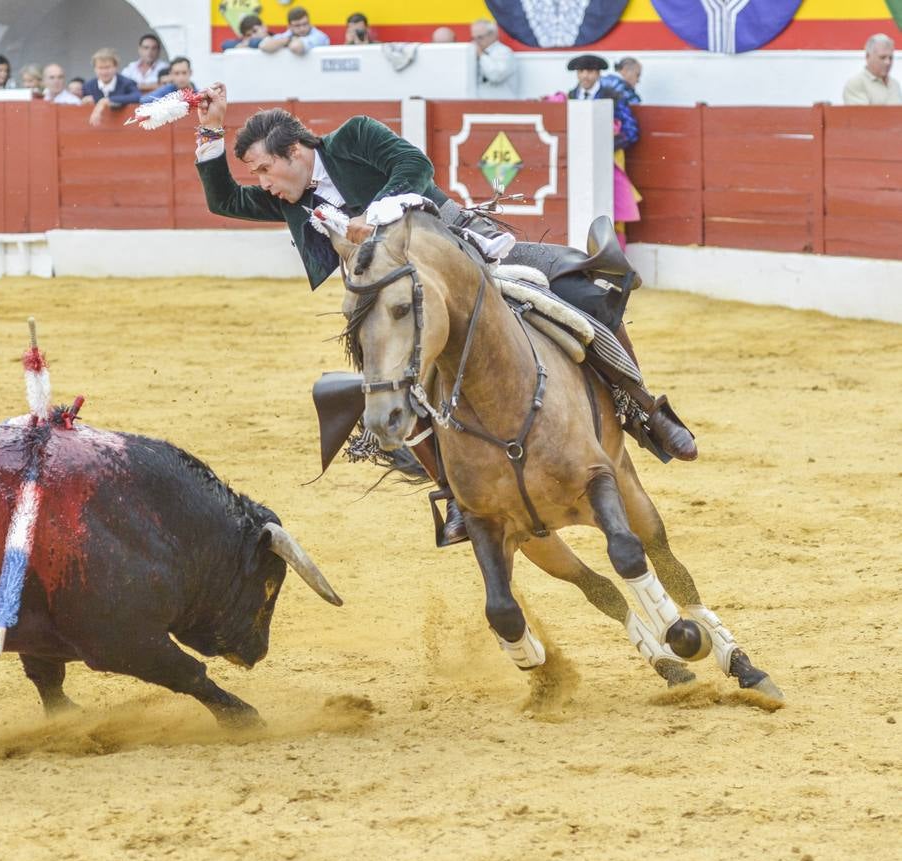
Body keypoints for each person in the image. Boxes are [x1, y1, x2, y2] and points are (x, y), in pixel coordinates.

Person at [191, 84, 696, 545]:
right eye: (256, 174)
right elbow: (223, 200)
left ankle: (643, 410)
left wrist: (375, 215)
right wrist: (211, 128)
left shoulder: (353, 137)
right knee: (393, 387)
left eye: (262, 169)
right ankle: (454, 494)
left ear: (295, 153)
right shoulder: (292, 201)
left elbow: (414, 167)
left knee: (577, 290)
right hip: (394, 304)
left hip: (461, 256)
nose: (261, 182)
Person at [567, 55, 641, 243]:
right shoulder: (572, 95)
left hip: (610, 161)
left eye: (590, 72)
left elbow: (631, 130)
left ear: (598, 73)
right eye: (581, 72)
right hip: (579, 163)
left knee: (611, 208)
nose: (585, 76)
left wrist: (606, 148)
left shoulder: (613, 96)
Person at [82, 48, 141, 126]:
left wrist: (106, 101)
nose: (104, 72)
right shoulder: (88, 86)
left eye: (107, 67)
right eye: (100, 68)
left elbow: (137, 97)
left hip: (124, 126)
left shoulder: (127, 83)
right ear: (95, 69)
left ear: (116, 67)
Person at [843, 34, 902, 106]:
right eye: (882, 57)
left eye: (891, 58)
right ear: (868, 57)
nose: (888, 62)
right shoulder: (856, 84)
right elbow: (862, 115)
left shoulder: (895, 84)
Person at [470, 19, 516, 99]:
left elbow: (496, 76)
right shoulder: (474, 54)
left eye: (480, 37)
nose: (476, 42)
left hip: (503, 104)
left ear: (492, 35)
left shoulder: (504, 52)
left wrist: (481, 55)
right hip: (480, 105)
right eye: (474, 38)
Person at [260, 7, 331, 55]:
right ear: (289, 27)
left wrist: (284, 42)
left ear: (309, 23)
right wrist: (287, 40)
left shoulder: (320, 36)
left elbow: (296, 47)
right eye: (297, 25)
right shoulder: (287, 35)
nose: (302, 28)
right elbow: (263, 46)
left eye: (305, 24)